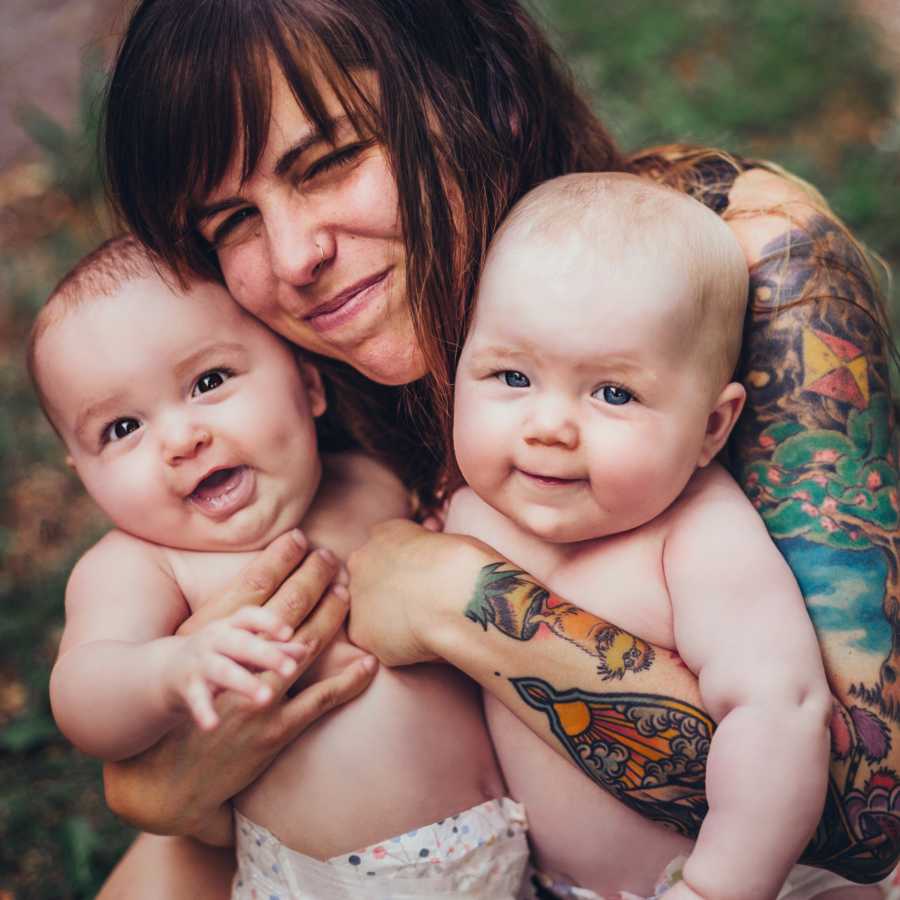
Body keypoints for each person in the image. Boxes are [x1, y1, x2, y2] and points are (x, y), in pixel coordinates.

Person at [93, 0, 899, 896]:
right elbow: (165, 772)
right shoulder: (274, 358)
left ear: (488, 92)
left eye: (330, 162)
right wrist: (161, 787)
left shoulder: (742, 257)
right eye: (231, 219)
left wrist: (460, 600)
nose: (291, 257)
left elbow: (868, 809)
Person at [31, 237, 529, 898]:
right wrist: (171, 671)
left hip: (499, 854)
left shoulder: (371, 479)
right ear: (84, 473)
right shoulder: (142, 564)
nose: (182, 440)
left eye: (208, 383)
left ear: (309, 383)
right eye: (121, 429)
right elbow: (82, 694)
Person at [446, 170, 881, 899]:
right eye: (512, 376)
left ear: (713, 426)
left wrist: (717, 886)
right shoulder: (470, 513)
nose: (548, 427)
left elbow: (780, 710)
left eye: (613, 393)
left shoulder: (698, 536)